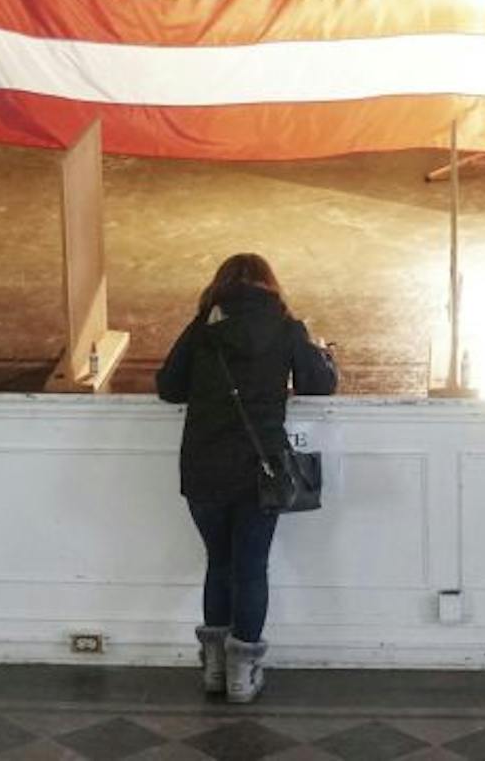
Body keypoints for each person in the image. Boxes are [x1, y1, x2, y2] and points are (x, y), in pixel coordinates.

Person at [156, 253, 337, 703]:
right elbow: (319, 384)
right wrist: (322, 355)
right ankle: (243, 675)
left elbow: (168, 388)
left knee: (219, 563)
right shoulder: (285, 326)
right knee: (251, 567)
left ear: (220, 287)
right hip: (262, 470)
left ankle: (214, 670)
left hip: (204, 467)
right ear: (270, 286)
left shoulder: (205, 328)